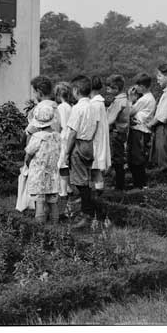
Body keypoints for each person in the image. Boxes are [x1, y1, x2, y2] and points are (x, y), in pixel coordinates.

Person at [65, 75, 97, 229]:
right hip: (89, 143)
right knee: (86, 180)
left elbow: (72, 133)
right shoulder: (93, 106)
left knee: (80, 182)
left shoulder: (78, 108)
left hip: (79, 143)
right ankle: (86, 211)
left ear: (76, 90)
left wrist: (66, 153)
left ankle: (87, 215)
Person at [24, 104, 62, 224]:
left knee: (39, 200)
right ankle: (55, 224)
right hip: (53, 173)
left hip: (39, 174)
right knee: (53, 200)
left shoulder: (36, 137)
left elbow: (28, 153)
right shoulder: (57, 136)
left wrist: (27, 163)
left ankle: (40, 226)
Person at [146, 63, 167, 184]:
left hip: (166, 129)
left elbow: (162, 116)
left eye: (160, 76)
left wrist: (149, 124)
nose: (157, 79)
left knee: (165, 160)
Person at [127, 73, 156, 189]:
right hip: (143, 131)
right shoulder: (149, 98)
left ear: (143, 86)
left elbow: (129, 112)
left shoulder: (144, 99)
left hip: (139, 131)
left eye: (137, 85)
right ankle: (138, 183)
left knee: (136, 159)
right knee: (137, 158)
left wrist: (130, 99)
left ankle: (139, 184)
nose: (136, 88)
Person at [105, 74, 130, 191]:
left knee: (117, 160)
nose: (107, 91)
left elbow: (111, 119)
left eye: (109, 88)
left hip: (116, 133)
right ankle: (119, 185)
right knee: (119, 159)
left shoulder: (118, 101)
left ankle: (119, 187)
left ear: (115, 88)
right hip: (121, 132)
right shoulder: (124, 99)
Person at [55, 81, 74, 213]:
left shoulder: (61, 107)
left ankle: (63, 191)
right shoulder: (70, 106)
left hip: (64, 136)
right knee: (64, 164)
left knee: (62, 165)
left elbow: (62, 124)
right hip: (68, 135)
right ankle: (68, 188)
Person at [89, 76, 111, 195]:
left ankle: (98, 195)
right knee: (95, 169)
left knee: (96, 168)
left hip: (95, 140)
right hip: (99, 138)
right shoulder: (99, 103)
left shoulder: (95, 104)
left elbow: (95, 124)